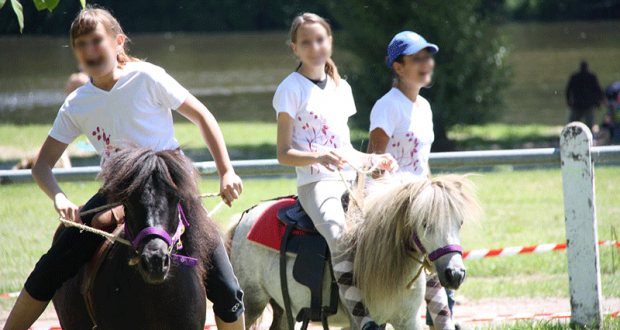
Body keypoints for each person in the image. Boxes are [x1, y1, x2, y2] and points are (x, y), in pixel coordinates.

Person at [4, 6, 245, 330]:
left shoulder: (147, 78)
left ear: (118, 42)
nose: (89, 50)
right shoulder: (78, 103)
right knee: (48, 271)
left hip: (170, 189)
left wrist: (226, 170)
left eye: (96, 41)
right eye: (81, 44)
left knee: (228, 290)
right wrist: (59, 197)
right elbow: (42, 166)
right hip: (117, 193)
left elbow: (203, 116)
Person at [273, 13, 398, 330]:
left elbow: (346, 150)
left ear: (330, 42)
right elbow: (283, 154)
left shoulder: (343, 89)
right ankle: (362, 319)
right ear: (295, 48)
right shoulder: (290, 89)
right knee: (339, 236)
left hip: (351, 182)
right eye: (306, 42)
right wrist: (317, 156)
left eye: (319, 40)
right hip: (316, 184)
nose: (314, 47)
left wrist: (375, 161)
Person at [367, 31, 458, 330]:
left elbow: (422, 162)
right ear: (398, 67)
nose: (426, 63)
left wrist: (435, 197)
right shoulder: (387, 105)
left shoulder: (426, 107)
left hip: (420, 204)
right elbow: (374, 162)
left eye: (427, 57)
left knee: (444, 252)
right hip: (392, 206)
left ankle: (443, 321)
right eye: (416, 58)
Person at [565, 61, 604, 131]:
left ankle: (571, 137)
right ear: (587, 68)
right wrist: (599, 102)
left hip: (577, 105)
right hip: (588, 105)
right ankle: (591, 138)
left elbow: (568, 91)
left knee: (572, 126)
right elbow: (598, 91)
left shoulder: (575, 77)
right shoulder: (591, 77)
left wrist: (569, 102)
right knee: (590, 126)